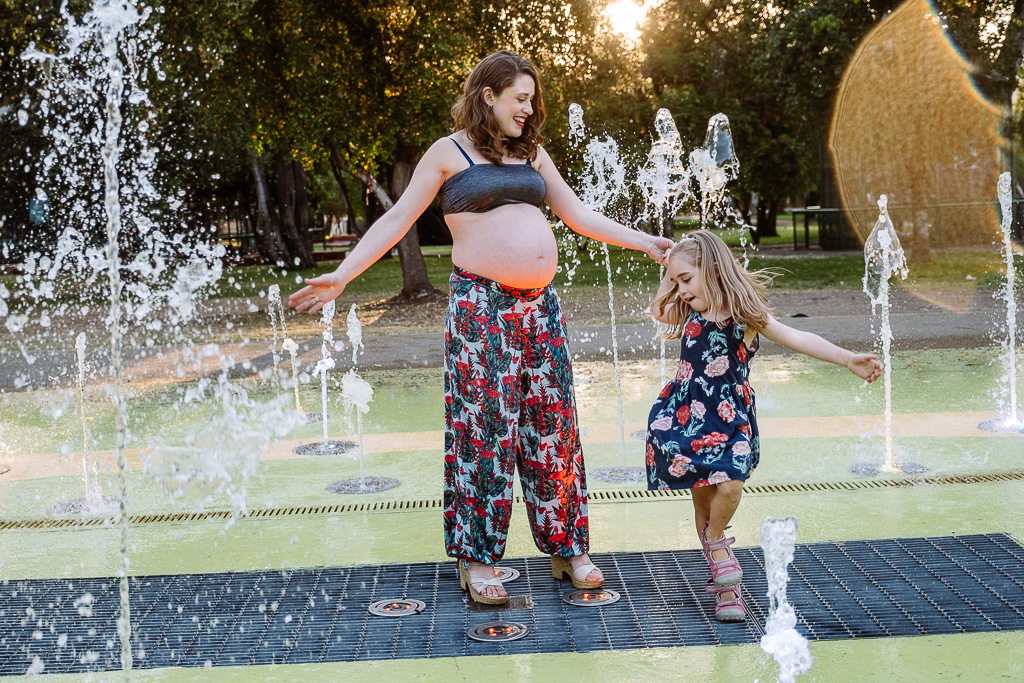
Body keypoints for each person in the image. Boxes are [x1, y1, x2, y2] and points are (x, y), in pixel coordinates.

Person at [289, 50, 673, 605]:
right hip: (482, 307)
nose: (529, 108)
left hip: (541, 305)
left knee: (554, 425)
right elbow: (398, 218)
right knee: (485, 427)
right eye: (519, 98)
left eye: (532, 99)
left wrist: (646, 242)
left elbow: (578, 214)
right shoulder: (448, 152)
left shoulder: (532, 153)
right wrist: (345, 275)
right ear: (488, 95)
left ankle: (568, 548)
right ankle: (477, 558)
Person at [646, 231, 882, 622]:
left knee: (731, 483)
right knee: (703, 498)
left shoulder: (745, 316)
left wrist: (847, 359)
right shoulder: (686, 312)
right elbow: (659, 310)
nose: (681, 290)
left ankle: (718, 545)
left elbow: (797, 337)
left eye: (687, 279)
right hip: (687, 416)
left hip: (728, 417)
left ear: (715, 269)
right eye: (676, 283)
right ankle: (728, 591)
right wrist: (667, 272)